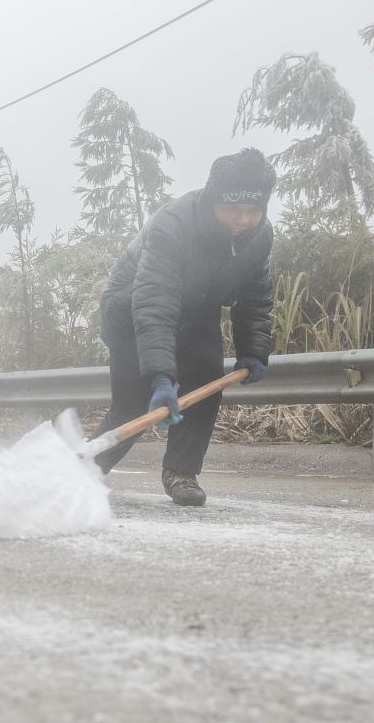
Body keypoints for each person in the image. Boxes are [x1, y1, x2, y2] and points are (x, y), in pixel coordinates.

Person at [92, 148, 275, 506]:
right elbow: (154, 303)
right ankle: (83, 469)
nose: (243, 220)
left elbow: (255, 296)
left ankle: (181, 472)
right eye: (233, 210)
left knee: (206, 382)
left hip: (197, 309)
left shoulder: (260, 236)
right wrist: (160, 376)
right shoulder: (174, 226)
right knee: (134, 406)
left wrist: (253, 350)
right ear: (211, 201)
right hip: (133, 309)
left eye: (253, 211)